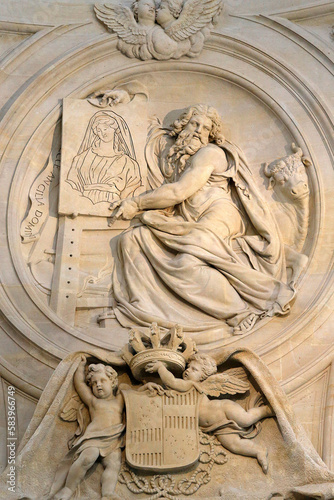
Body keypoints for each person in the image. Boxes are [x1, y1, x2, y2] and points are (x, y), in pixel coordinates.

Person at [109, 104, 295, 340]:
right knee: (132, 238)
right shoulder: (176, 158)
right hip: (188, 219)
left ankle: (240, 311)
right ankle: (144, 306)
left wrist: (136, 203)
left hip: (220, 214)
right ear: (182, 126)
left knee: (187, 260)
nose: (198, 131)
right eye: (194, 124)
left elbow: (179, 192)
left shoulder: (210, 153)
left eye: (205, 128)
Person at [145, 354, 274, 473]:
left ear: (202, 377)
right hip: (215, 426)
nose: (188, 370)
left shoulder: (190, 385)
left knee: (245, 419)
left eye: (194, 369)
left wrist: (161, 368)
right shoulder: (177, 392)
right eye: (188, 368)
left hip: (222, 409)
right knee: (234, 445)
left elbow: (171, 381)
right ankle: (259, 451)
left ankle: (267, 410)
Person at [52, 357, 124, 500]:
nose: (98, 385)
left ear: (113, 382)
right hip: (94, 437)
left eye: (102, 381)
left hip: (113, 439)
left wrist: (148, 386)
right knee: (87, 458)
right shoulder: (93, 402)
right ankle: (67, 488)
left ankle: (107, 494)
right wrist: (81, 367)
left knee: (113, 464)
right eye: (94, 383)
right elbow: (79, 383)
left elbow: (135, 395)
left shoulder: (119, 400)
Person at [67, 110, 142, 204]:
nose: (103, 133)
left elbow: (133, 190)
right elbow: (71, 184)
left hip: (112, 208)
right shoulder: (82, 158)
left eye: (106, 129)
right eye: (99, 130)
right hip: (84, 204)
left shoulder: (128, 163)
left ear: (115, 129)